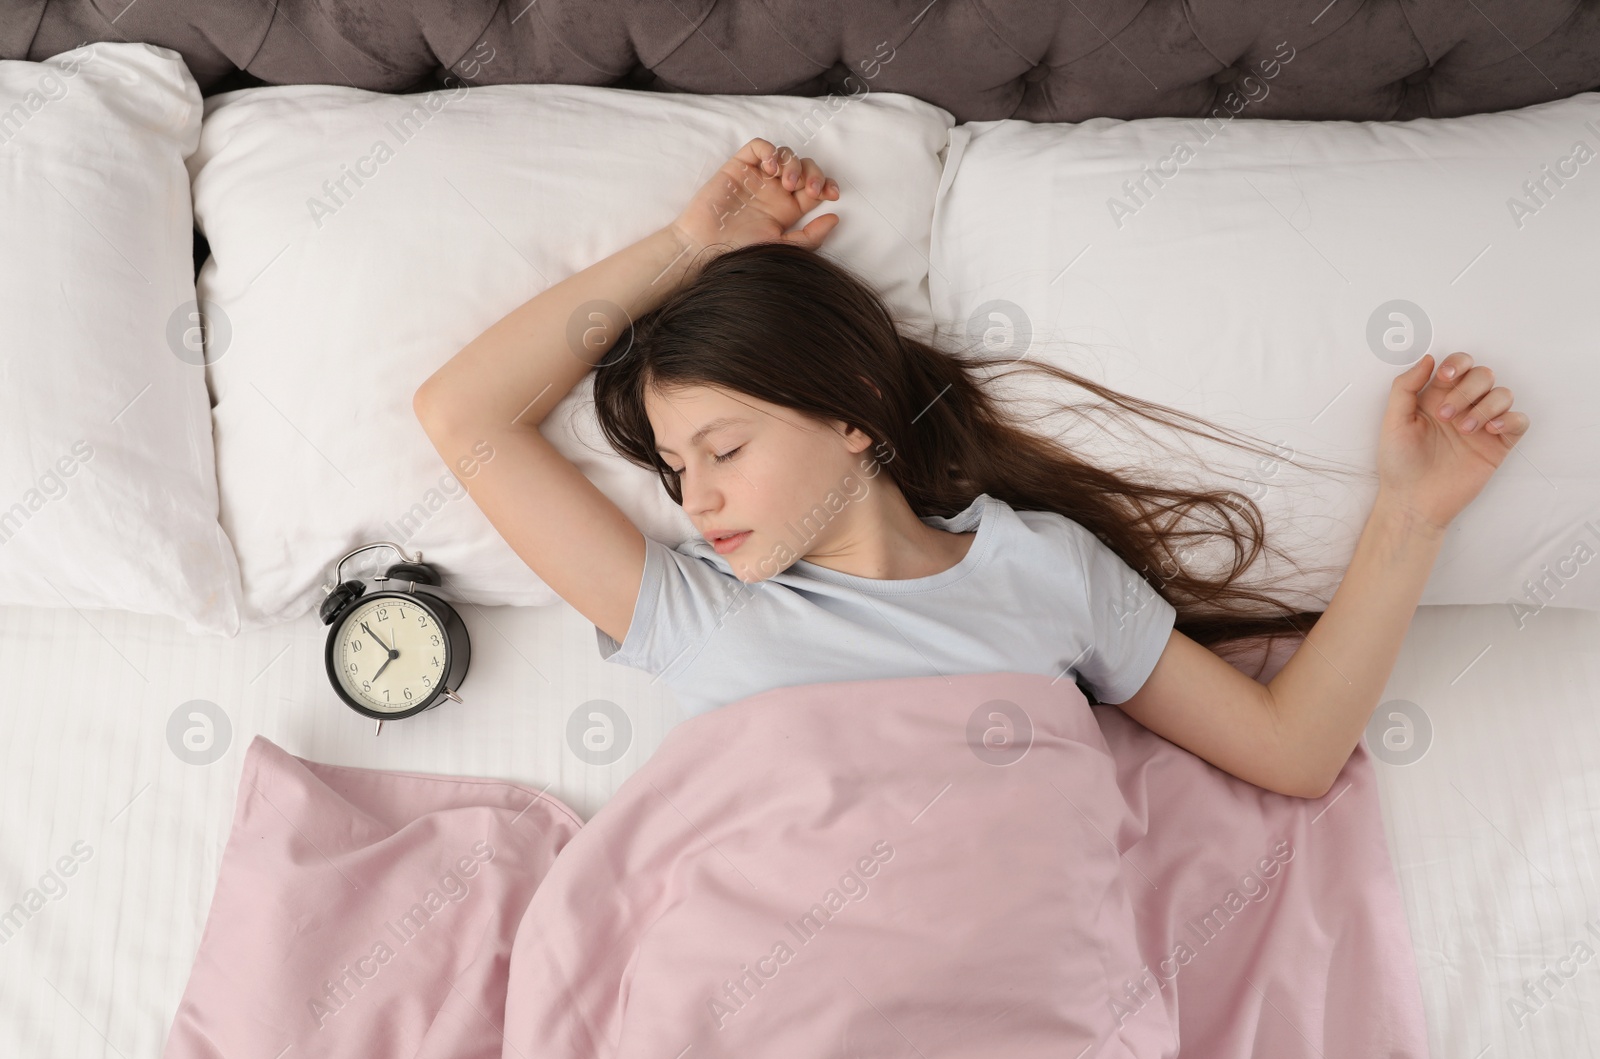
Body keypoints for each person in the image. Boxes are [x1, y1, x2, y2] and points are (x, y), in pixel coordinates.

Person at [413, 137, 1530, 800]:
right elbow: (462, 413)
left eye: (726, 449)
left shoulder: (1045, 569)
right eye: (672, 469)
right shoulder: (695, 613)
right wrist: (690, 245)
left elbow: (1289, 750)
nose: (695, 498)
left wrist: (1412, 514)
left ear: (852, 415)